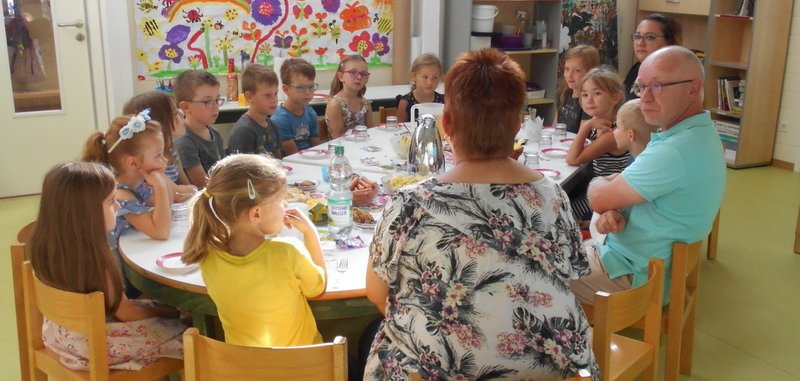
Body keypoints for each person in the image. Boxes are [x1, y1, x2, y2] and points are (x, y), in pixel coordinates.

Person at [364, 48, 598, 381]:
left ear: (446, 125)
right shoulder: (554, 197)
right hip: (549, 373)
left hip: (435, 372)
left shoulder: (408, 205)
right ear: (518, 124)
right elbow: (570, 276)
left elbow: (377, 293)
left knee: (378, 339)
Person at [571, 46, 726, 305]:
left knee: (523, 271)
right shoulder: (701, 134)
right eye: (641, 88)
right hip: (649, 268)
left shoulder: (674, 150)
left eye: (659, 86)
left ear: (693, 88)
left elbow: (598, 201)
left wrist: (601, 182)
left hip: (629, 276)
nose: (646, 98)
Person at [29, 161, 185, 371]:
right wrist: (166, 311)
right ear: (86, 212)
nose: (118, 206)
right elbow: (126, 313)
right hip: (95, 346)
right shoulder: (93, 258)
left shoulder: (44, 244)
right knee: (189, 332)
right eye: (111, 201)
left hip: (59, 335)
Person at [181, 154, 326, 347]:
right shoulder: (288, 252)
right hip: (302, 369)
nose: (285, 205)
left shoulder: (207, 256)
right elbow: (318, 287)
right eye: (281, 200)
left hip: (244, 370)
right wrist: (311, 233)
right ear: (256, 213)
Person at [82, 111, 173, 247]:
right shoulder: (119, 195)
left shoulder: (138, 184)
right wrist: (159, 185)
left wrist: (161, 177)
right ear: (132, 163)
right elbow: (161, 232)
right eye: (158, 155)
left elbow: (166, 207)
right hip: (117, 263)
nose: (165, 160)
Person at [566, 67, 631, 222]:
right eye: (585, 94)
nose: (589, 100)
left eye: (597, 93)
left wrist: (587, 125)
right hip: (602, 189)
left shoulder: (613, 133)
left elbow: (572, 159)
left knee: (564, 212)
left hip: (612, 199)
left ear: (615, 98)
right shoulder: (604, 123)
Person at [123, 91, 197, 202]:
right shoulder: (149, 160)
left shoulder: (170, 149)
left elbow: (185, 185)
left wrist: (190, 190)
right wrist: (193, 189)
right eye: (175, 113)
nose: (182, 113)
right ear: (160, 122)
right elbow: (177, 194)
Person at [173, 69, 226, 187]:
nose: (215, 107)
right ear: (185, 106)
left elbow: (225, 172)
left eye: (217, 100)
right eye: (207, 101)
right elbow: (204, 184)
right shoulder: (184, 141)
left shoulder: (215, 134)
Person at [228, 63, 282, 158]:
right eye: (267, 95)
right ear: (249, 97)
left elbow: (278, 160)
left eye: (276, 93)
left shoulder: (273, 126)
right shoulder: (244, 131)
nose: (274, 99)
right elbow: (241, 169)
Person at [624, 13, 681, 100]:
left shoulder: (670, 77)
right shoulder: (637, 67)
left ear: (669, 41)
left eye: (649, 37)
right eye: (637, 36)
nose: (640, 43)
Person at [272, 58, 321, 155]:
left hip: (310, 159)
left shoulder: (310, 112)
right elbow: (293, 154)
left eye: (311, 86)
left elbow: (316, 147)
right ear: (286, 89)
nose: (307, 92)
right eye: (300, 87)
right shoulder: (279, 119)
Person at [325, 54, 375, 138]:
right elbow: (338, 138)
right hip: (342, 149)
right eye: (353, 72)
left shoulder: (365, 103)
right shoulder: (335, 104)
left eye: (363, 74)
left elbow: (371, 132)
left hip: (363, 147)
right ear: (341, 77)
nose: (359, 77)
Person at [557, 45, 600, 134]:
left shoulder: (589, 101)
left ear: (590, 72)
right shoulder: (564, 92)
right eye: (567, 69)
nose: (569, 75)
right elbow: (555, 127)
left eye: (577, 70)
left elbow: (582, 136)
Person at [395, 53, 444, 123]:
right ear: (414, 76)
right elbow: (400, 130)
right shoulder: (405, 102)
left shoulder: (443, 101)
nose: (430, 82)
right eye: (425, 77)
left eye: (435, 77)